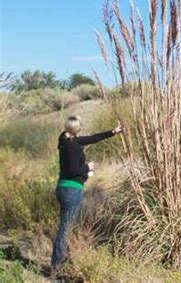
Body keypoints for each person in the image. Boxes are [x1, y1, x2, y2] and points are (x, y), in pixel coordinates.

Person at [50, 115, 123, 272]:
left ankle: (62, 258)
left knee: (65, 225)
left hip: (63, 188)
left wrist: (112, 132)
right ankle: (56, 265)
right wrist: (87, 167)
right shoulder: (74, 147)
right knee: (65, 228)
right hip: (71, 190)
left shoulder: (65, 140)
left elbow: (92, 138)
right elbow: (73, 170)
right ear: (78, 129)